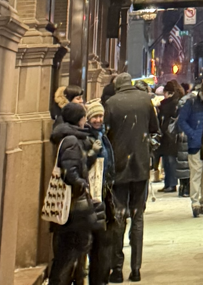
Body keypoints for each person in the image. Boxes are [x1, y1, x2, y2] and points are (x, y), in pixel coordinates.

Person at [103, 71, 159, 283]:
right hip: (140, 166)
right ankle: (136, 269)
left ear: (117, 86)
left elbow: (105, 132)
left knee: (118, 217)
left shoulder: (111, 103)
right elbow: (154, 128)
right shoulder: (145, 100)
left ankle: (117, 269)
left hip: (119, 167)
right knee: (138, 217)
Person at [48, 103, 106, 285]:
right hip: (74, 204)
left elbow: (80, 164)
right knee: (73, 248)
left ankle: (73, 278)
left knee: (77, 246)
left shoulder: (75, 137)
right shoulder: (71, 140)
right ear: (79, 118)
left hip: (76, 204)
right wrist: (80, 183)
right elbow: (70, 170)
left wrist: (91, 153)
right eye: (84, 116)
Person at [85, 101, 118, 285]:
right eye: (94, 117)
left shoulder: (102, 135)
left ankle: (101, 278)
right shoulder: (89, 138)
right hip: (93, 195)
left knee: (105, 241)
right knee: (99, 241)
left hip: (104, 191)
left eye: (100, 116)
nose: (98, 119)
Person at [178, 78, 203, 216]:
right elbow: (181, 121)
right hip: (195, 144)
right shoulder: (192, 103)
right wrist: (193, 134)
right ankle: (195, 202)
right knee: (196, 173)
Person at [156, 78, 186, 193]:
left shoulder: (170, 104)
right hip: (170, 135)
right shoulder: (176, 102)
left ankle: (171, 183)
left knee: (169, 161)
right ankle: (169, 183)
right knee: (168, 160)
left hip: (169, 135)